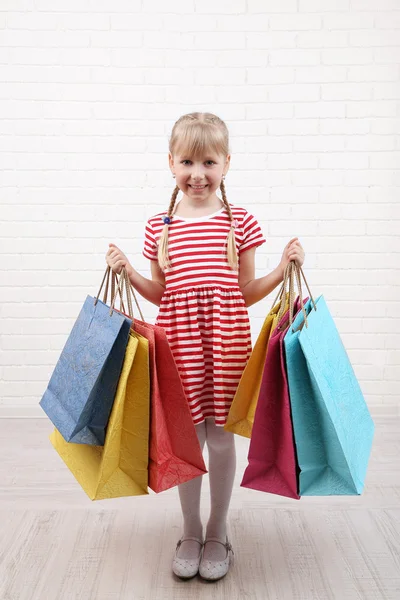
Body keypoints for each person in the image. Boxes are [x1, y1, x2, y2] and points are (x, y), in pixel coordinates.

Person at [106, 112, 305, 582]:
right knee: (188, 438)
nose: (198, 173)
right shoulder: (161, 227)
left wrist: (281, 268)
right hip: (179, 343)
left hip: (227, 340)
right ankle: (190, 529)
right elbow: (163, 293)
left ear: (227, 164)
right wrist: (129, 272)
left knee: (220, 437)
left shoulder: (242, 223)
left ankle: (218, 529)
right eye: (188, 161)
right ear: (171, 163)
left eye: (209, 161)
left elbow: (246, 290)